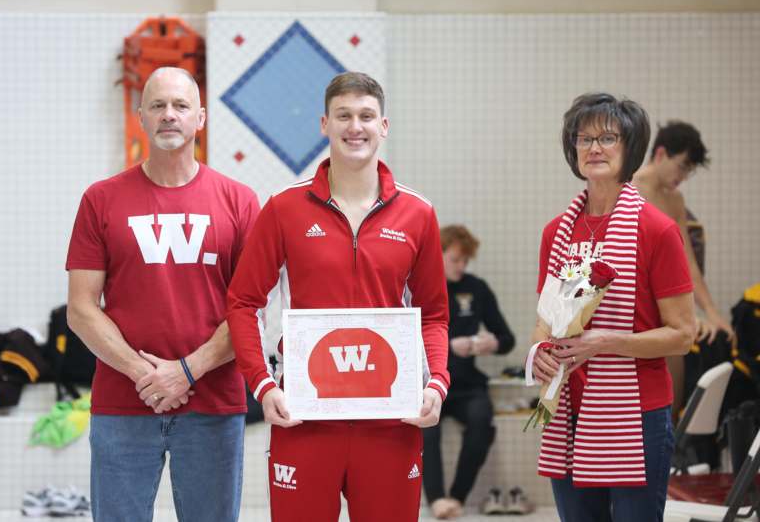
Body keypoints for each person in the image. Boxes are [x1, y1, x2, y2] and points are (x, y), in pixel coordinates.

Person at [226, 71, 450, 522]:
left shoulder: (418, 213)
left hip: (391, 420)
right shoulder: (284, 208)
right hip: (305, 417)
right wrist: (263, 384)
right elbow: (243, 302)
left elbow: (434, 314)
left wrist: (437, 382)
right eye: (343, 115)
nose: (355, 127)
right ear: (324, 124)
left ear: (383, 126)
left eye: (367, 116)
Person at [66, 67, 259, 522]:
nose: (169, 115)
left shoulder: (240, 201)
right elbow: (80, 308)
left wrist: (187, 371)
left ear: (201, 118)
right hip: (122, 405)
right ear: (141, 117)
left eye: (180, 106)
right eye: (157, 105)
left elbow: (251, 309)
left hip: (214, 405)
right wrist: (146, 375)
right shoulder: (101, 199)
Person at [529, 93, 696, 522]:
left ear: (631, 148)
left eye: (607, 137)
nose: (594, 148)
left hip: (636, 414)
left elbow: (683, 335)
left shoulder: (656, 230)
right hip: (568, 409)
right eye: (583, 139)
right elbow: (544, 322)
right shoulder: (557, 232)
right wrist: (539, 355)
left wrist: (606, 342)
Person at [633, 121, 736, 419]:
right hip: (633, 312)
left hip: (665, 316)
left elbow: (686, 263)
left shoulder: (674, 199)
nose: (683, 176)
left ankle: (671, 461)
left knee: (669, 406)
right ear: (661, 154)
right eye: (682, 166)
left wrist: (712, 315)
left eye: (689, 171)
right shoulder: (627, 190)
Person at [422, 224, 515, 519]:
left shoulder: (477, 288)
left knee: (482, 423)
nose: (461, 267)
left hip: (466, 384)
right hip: (429, 381)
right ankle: (436, 499)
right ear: (439, 256)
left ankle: (458, 498)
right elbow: (407, 341)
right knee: (426, 431)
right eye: (455, 260)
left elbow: (507, 339)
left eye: (465, 261)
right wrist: (450, 346)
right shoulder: (422, 288)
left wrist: (492, 342)